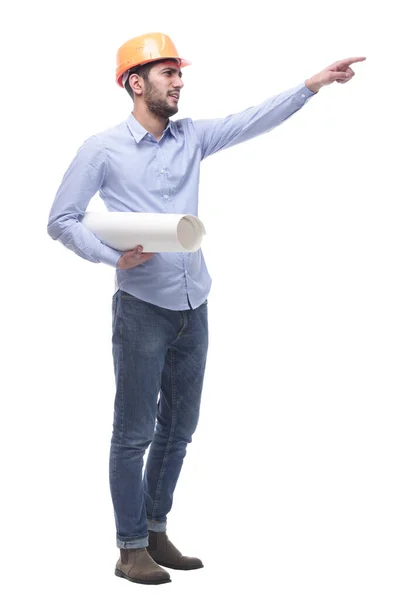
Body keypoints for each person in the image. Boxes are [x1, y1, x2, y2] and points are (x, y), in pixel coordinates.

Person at [47, 32, 365, 586]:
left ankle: (155, 527)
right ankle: (129, 549)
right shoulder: (101, 149)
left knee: (180, 427)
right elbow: (61, 220)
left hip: (196, 303)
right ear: (135, 82)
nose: (179, 81)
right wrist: (110, 258)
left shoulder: (190, 137)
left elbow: (251, 119)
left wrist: (312, 85)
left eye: (179, 72)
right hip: (142, 307)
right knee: (133, 433)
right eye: (168, 72)